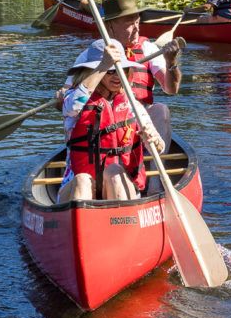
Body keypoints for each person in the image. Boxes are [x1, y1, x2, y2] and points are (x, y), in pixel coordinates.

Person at [57, 0, 183, 151]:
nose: (137, 28)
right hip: (103, 119)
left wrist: (171, 62)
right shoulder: (91, 55)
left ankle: (156, 171)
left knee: (161, 110)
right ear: (109, 27)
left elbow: (171, 89)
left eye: (138, 21)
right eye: (130, 23)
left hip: (138, 116)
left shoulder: (148, 49)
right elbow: (67, 103)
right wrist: (62, 95)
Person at [58, 39, 165, 203]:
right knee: (82, 179)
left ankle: (119, 221)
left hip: (121, 185)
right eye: (109, 71)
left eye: (121, 69)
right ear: (94, 72)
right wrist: (103, 64)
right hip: (80, 188)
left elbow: (160, 148)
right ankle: (80, 223)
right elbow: (73, 105)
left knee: (114, 170)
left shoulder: (131, 104)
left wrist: (154, 140)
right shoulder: (73, 99)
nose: (116, 76)